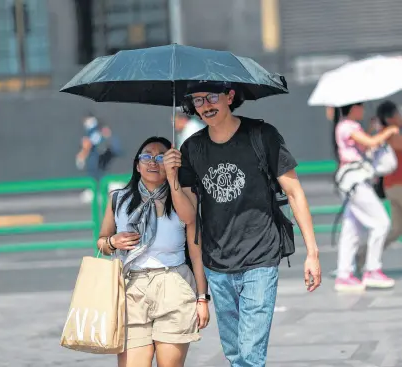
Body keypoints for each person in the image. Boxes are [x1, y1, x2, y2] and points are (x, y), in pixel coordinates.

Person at [162, 81, 322, 367]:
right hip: (217, 263)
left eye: (212, 97)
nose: (205, 106)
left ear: (230, 96)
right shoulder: (192, 148)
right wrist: (173, 178)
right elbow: (188, 214)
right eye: (198, 101)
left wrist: (313, 252)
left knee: (249, 355)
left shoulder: (262, 136)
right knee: (235, 353)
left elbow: (295, 192)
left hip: (260, 258)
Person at [97, 136, 210, 367]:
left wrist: (202, 298)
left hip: (174, 284)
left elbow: (195, 247)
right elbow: (102, 243)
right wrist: (113, 241)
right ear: (137, 165)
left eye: (161, 157)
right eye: (147, 156)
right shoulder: (118, 199)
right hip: (131, 289)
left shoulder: (182, 197)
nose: (153, 161)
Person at [332, 102, 399, 292]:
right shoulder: (346, 126)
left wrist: (374, 130)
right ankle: (372, 270)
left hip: (353, 181)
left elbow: (366, 144)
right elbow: (370, 143)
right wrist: (388, 131)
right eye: (360, 106)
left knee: (351, 230)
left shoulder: (352, 126)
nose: (362, 109)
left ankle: (344, 275)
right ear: (352, 108)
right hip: (355, 181)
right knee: (381, 223)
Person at [355, 101, 402, 268]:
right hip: (398, 186)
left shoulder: (382, 133)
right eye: (397, 113)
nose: (400, 116)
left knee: (395, 230)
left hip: (392, 188)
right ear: (390, 118)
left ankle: (362, 255)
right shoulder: (390, 134)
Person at [76, 113, 122, 202]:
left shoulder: (110, 141)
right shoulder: (93, 136)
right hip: (98, 179)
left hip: (111, 178)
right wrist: (81, 156)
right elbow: (87, 145)